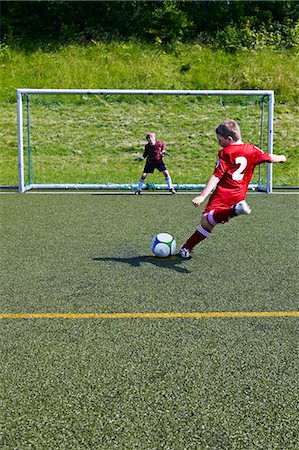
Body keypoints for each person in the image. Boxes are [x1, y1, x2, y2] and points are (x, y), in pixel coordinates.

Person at [180, 119, 287, 258]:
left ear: (229, 139)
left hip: (223, 194)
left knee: (206, 220)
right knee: (208, 224)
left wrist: (202, 196)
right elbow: (270, 158)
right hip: (239, 196)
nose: (218, 143)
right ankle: (186, 248)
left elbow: (216, 176)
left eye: (220, 140)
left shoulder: (225, 153)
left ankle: (234, 210)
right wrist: (282, 158)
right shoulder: (252, 149)